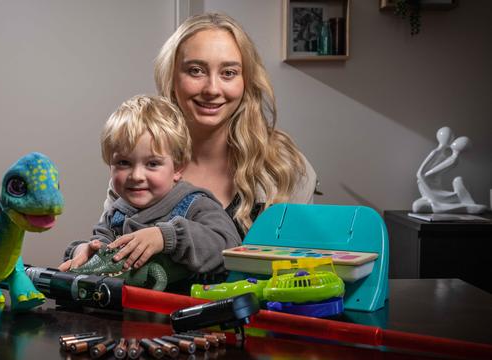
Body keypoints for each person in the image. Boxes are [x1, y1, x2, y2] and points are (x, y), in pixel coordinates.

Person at [63, 12, 316, 274]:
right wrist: (86, 250)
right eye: (196, 70)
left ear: (246, 81)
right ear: (171, 76)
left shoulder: (286, 167)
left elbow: (302, 274)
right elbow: (110, 246)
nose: (212, 89)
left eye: (229, 73)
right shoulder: (137, 166)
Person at [59, 95, 241, 287]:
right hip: (127, 311)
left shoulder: (197, 204)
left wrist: (166, 236)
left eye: (152, 164)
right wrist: (85, 252)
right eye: (123, 163)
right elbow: (101, 244)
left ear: (178, 168)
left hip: (185, 310)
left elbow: (229, 248)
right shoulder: (116, 213)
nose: (136, 176)